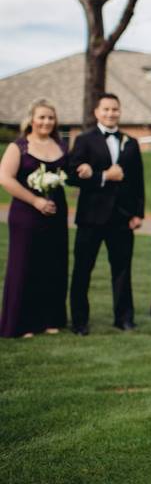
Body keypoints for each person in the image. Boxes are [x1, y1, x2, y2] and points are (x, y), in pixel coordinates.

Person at [67, 93, 145, 335]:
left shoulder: (130, 142)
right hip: (91, 217)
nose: (111, 113)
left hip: (122, 218)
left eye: (115, 109)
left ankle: (124, 318)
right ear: (96, 112)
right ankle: (80, 321)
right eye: (106, 109)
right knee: (83, 269)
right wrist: (102, 176)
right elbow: (70, 176)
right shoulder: (84, 140)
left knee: (122, 270)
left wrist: (137, 213)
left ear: (120, 112)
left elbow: (137, 182)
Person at [0, 99, 69, 338]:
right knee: (24, 265)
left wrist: (85, 171)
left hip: (56, 214)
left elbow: (69, 173)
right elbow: (5, 179)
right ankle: (21, 323)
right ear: (31, 119)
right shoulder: (18, 147)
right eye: (41, 117)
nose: (46, 122)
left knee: (53, 265)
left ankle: (50, 319)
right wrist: (36, 201)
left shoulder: (60, 146)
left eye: (50, 117)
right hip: (26, 214)